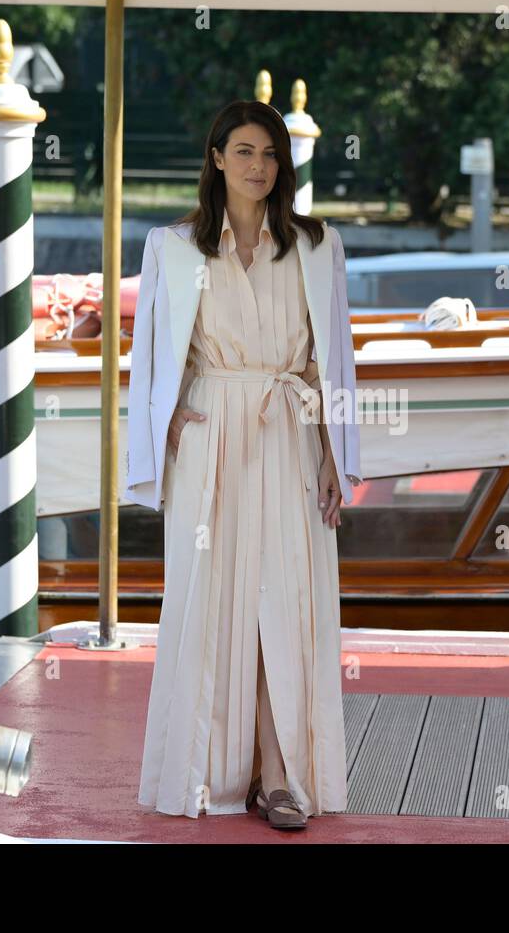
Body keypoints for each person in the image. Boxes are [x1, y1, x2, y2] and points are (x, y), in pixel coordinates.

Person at [124, 100, 361, 830]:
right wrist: (165, 431)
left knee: (286, 605)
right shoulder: (172, 247)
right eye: (246, 152)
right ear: (218, 157)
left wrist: (334, 453)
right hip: (209, 438)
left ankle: (283, 774)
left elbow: (336, 361)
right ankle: (210, 771)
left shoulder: (319, 246)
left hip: (290, 434)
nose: (261, 166)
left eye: (271, 154)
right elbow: (150, 361)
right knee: (211, 602)